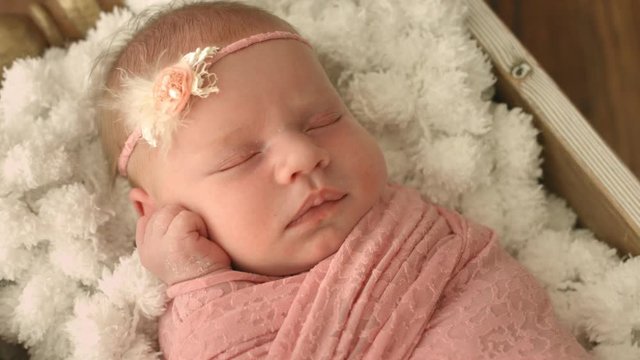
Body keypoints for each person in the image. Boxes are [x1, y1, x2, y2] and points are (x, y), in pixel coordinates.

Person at [97, 1, 592, 359]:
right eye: (240, 158)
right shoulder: (209, 311)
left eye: (323, 122)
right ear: (155, 215)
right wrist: (191, 281)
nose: (304, 155)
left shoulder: (417, 239)